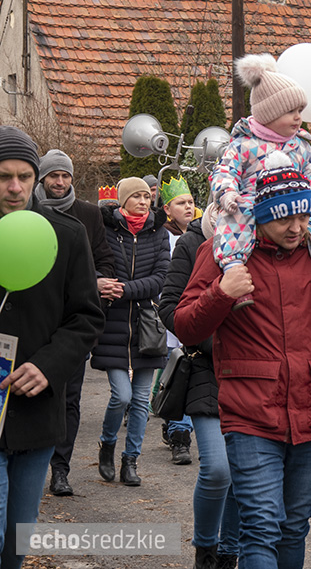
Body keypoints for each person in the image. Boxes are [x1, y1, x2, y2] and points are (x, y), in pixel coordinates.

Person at [174, 150, 311, 569]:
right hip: (250, 412)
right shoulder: (222, 251)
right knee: (262, 526)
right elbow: (185, 326)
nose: (297, 227)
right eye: (285, 218)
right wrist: (220, 293)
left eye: (303, 216)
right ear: (260, 212)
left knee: (293, 528)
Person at [0, 126, 104, 568]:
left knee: (16, 545)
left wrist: (48, 366)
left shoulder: (67, 234)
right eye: (4, 176)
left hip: (37, 409)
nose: (15, 187)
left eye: (25, 176)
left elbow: (86, 316)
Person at [211, 53, 311, 309]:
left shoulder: (299, 145)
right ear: (268, 113)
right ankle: (235, 272)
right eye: (290, 111)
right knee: (235, 218)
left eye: (300, 110)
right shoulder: (244, 144)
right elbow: (225, 172)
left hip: (296, 204)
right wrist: (228, 194)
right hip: (253, 201)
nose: (299, 117)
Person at [159, 201, 240, 569]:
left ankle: (229, 552)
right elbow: (170, 307)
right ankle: (206, 549)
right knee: (219, 469)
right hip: (206, 369)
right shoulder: (195, 243)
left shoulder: (264, 241)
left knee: (244, 473)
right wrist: (207, 338)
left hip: (252, 372)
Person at [34, 148, 116, 497]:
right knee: (33, 394)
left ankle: (60, 469)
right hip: (35, 322)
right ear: (42, 178)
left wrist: (95, 280)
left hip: (72, 323)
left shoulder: (89, 215)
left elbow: (106, 262)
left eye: (65, 175)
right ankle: (31, 464)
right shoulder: (27, 212)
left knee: (69, 398)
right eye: (53, 175)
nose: (60, 181)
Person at [91, 177, 171, 487]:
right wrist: (101, 282)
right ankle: (107, 443)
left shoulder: (159, 233)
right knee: (121, 396)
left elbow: (161, 277)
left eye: (145, 196)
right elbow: (93, 265)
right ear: (123, 201)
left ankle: (130, 460)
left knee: (140, 400)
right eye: (135, 196)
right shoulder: (107, 231)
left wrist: (123, 289)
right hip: (111, 324)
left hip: (146, 325)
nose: (143, 201)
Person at [158, 175, 196, 465]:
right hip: (173, 316)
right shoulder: (164, 237)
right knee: (180, 373)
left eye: (191, 202)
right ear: (168, 209)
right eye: (181, 202)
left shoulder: (203, 236)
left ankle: (176, 426)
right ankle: (179, 436)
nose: (187, 207)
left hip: (198, 315)